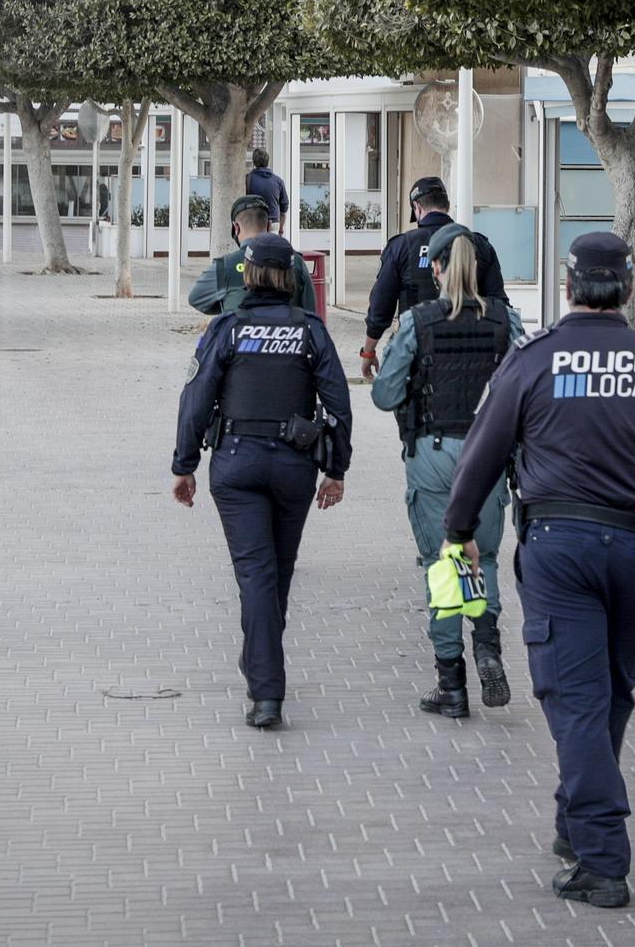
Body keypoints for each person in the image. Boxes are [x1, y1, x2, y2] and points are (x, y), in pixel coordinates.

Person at [443, 231, 635, 909]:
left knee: (577, 703)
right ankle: (575, 823)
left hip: (558, 549)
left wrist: (458, 534)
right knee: (608, 695)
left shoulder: (533, 359)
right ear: (629, 289)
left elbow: (481, 456)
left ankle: (603, 861)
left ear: (569, 285)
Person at [171, 232, 353, 730]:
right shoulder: (310, 330)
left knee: (256, 576)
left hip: (235, 466)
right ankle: (262, 665)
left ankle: (265, 688)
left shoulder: (226, 328)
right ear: (291, 277)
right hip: (295, 467)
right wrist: (336, 469)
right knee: (278, 574)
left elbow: (196, 398)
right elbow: (338, 402)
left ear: (248, 275)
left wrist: (183, 464)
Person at [371, 222, 527, 719]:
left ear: (436, 268)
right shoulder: (507, 321)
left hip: (434, 456)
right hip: (489, 456)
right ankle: (487, 647)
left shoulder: (419, 322)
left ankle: (451, 683)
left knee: (443, 564)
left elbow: (386, 394)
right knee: (484, 561)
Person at [360, 176, 506, 380]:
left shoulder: (401, 246)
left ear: (417, 207)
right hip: (470, 360)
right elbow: (500, 305)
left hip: (416, 358)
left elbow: (380, 308)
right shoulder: (479, 245)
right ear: (446, 206)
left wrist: (368, 352)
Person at [188, 195, 318, 315]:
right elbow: (310, 309)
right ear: (268, 225)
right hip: (288, 337)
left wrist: (228, 307)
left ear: (236, 227)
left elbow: (196, 299)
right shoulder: (295, 261)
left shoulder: (225, 266)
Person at [245, 148, 289, 234]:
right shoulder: (278, 181)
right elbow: (284, 207)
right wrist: (281, 229)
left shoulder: (247, 179)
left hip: (254, 222)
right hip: (273, 222)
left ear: (254, 162)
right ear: (267, 162)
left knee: (255, 247)